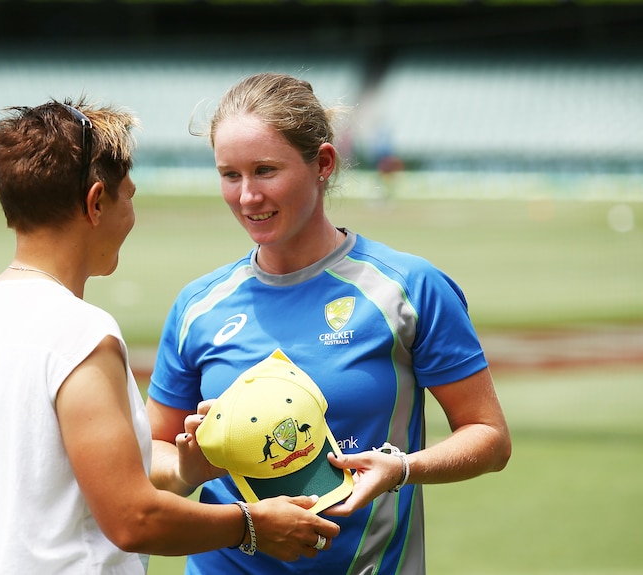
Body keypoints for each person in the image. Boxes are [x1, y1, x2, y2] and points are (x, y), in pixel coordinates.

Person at [0, 98, 340, 575]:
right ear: (95, 202)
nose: (131, 214)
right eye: (128, 196)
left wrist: (24, 532)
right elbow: (132, 520)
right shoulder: (81, 333)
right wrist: (251, 525)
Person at [145, 73, 512, 575]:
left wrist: (403, 469)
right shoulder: (199, 306)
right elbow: (154, 454)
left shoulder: (407, 287)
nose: (247, 196)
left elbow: (489, 438)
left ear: (322, 163)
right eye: (230, 175)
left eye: (265, 170)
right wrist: (185, 469)